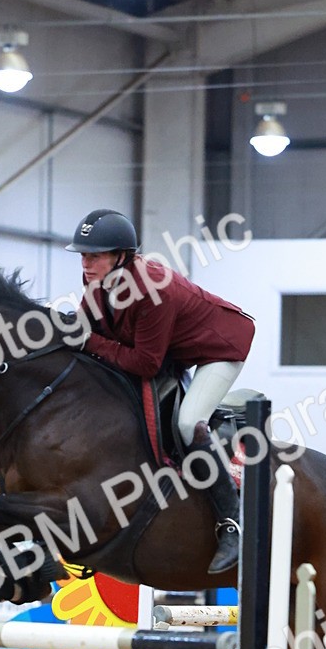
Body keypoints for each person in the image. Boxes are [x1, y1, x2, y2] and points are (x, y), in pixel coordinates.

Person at [66, 208, 255, 574]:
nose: (86, 264)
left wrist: (88, 341)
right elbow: (83, 329)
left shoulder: (154, 289)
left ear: (121, 256)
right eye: (83, 255)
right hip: (173, 352)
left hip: (220, 348)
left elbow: (144, 364)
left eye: (95, 256)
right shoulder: (98, 281)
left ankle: (232, 523)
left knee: (188, 423)